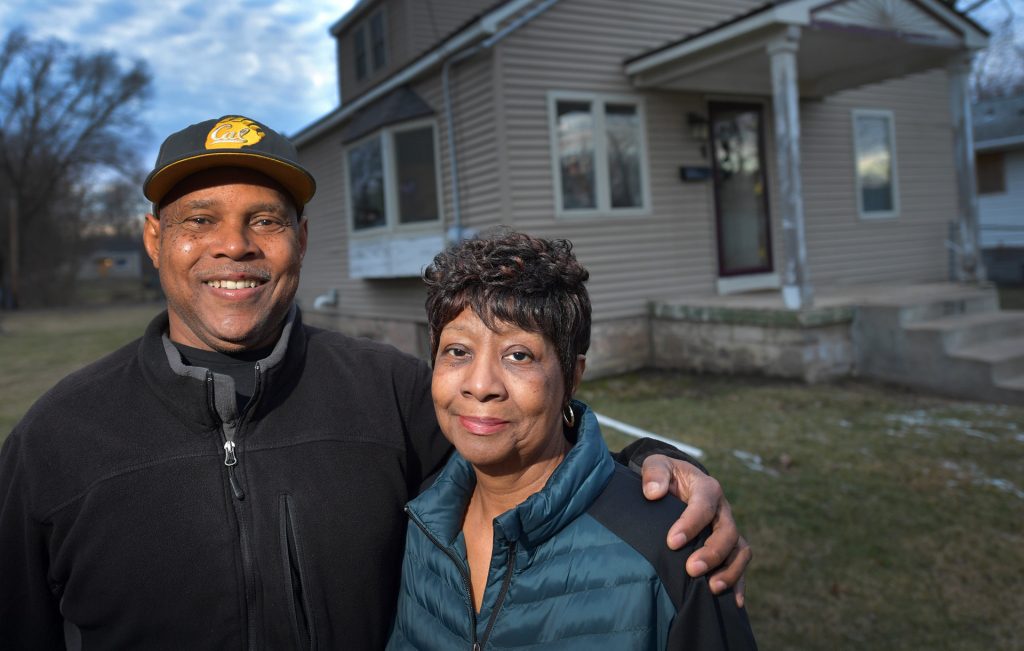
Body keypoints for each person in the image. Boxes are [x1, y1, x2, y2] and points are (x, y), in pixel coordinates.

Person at [0, 115, 749, 649]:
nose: (235, 245)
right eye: (201, 218)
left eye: (266, 219)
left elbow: (521, 461)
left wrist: (649, 473)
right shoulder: (55, 441)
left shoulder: (388, 392)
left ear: (300, 241)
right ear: (156, 239)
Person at [387, 232, 757, 650]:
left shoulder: (669, 548)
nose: (480, 385)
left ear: (572, 377)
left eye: (518, 355)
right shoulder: (422, 523)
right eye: (458, 351)